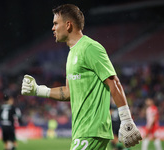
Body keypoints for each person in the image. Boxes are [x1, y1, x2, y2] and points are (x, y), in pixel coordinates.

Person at [21, 4, 142, 150]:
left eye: (55, 24)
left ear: (68, 25)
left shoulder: (90, 48)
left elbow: (113, 82)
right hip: (81, 131)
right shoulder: (72, 53)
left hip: (91, 130)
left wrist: (126, 119)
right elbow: (68, 92)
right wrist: (38, 90)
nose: (52, 28)